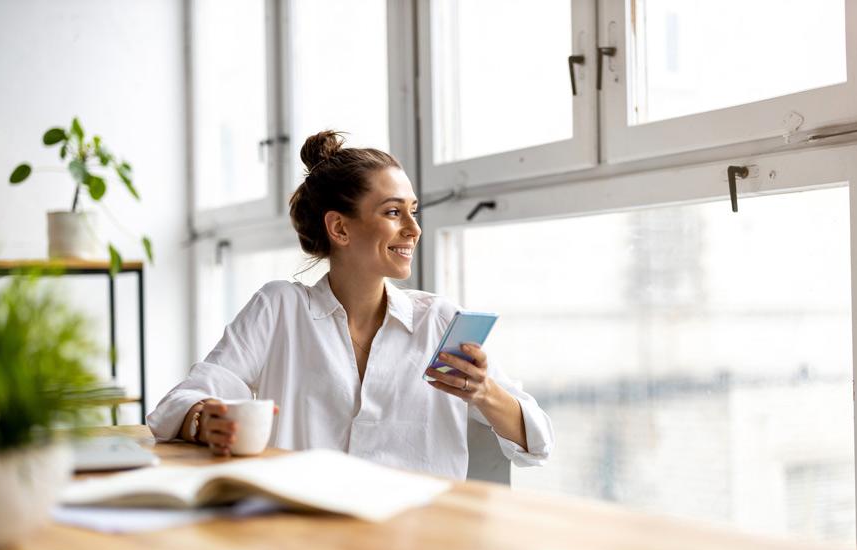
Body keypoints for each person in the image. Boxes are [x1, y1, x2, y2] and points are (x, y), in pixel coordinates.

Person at [147, 131, 553, 479]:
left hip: (420, 541)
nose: (413, 229)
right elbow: (179, 403)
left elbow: (538, 439)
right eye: (393, 212)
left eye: (413, 211)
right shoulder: (280, 309)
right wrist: (204, 421)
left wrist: (484, 393)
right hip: (305, 532)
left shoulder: (440, 322)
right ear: (339, 227)